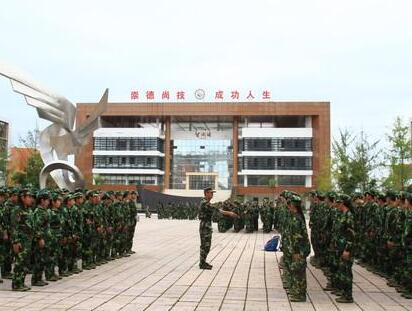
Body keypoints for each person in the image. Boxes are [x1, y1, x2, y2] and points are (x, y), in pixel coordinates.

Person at [198, 187, 238, 270]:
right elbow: (216, 209)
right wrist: (229, 213)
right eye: (210, 192)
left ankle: (203, 262)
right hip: (204, 226)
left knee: (206, 245)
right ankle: (202, 263)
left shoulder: (207, 202)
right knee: (205, 245)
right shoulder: (204, 202)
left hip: (207, 225)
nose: (212, 194)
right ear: (206, 193)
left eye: (212, 193)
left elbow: (216, 209)